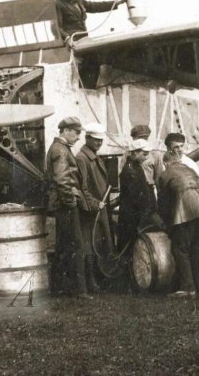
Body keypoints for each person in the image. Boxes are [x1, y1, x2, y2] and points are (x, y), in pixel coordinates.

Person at [157, 152, 199, 298]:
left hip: (185, 213)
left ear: (166, 163)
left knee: (179, 249)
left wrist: (166, 223)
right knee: (196, 247)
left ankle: (187, 288)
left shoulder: (165, 174)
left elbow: (164, 203)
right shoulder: (191, 170)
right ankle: (196, 286)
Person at [45, 117, 91, 299]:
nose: (79, 137)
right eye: (77, 132)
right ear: (65, 131)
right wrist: (71, 202)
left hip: (61, 204)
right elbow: (62, 179)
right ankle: (78, 290)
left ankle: (59, 288)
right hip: (65, 204)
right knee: (75, 245)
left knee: (64, 246)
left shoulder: (59, 148)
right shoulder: (61, 150)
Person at [74, 123, 114, 292]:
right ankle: (92, 282)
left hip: (100, 207)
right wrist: (93, 204)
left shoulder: (94, 156)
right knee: (89, 245)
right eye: (96, 140)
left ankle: (99, 280)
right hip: (91, 210)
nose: (99, 143)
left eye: (101, 140)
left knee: (99, 243)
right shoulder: (82, 158)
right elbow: (82, 187)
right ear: (87, 138)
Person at [117, 139, 162, 255]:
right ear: (134, 153)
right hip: (132, 216)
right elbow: (135, 198)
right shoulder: (130, 171)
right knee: (130, 246)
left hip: (135, 214)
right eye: (144, 154)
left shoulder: (135, 166)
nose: (146, 157)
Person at [55, 0, 128, 42]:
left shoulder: (79, 1)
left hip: (83, 39)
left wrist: (117, 3)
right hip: (70, 42)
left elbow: (96, 6)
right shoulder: (58, 4)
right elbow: (57, 27)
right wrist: (67, 38)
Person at [163, 132, 199, 205]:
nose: (180, 149)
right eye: (176, 147)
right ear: (168, 148)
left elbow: (198, 183)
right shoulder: (163, 161)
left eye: (182, 146)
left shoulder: (189, 163)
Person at [129, 125, 164, 195]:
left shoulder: (155, 155)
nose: (143, 141)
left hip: (148, 190)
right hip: (132, 190)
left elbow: (158, 178)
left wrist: (161, 197)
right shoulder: (127, 155)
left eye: (145, 138)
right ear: (133, 139)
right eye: (139, 138)